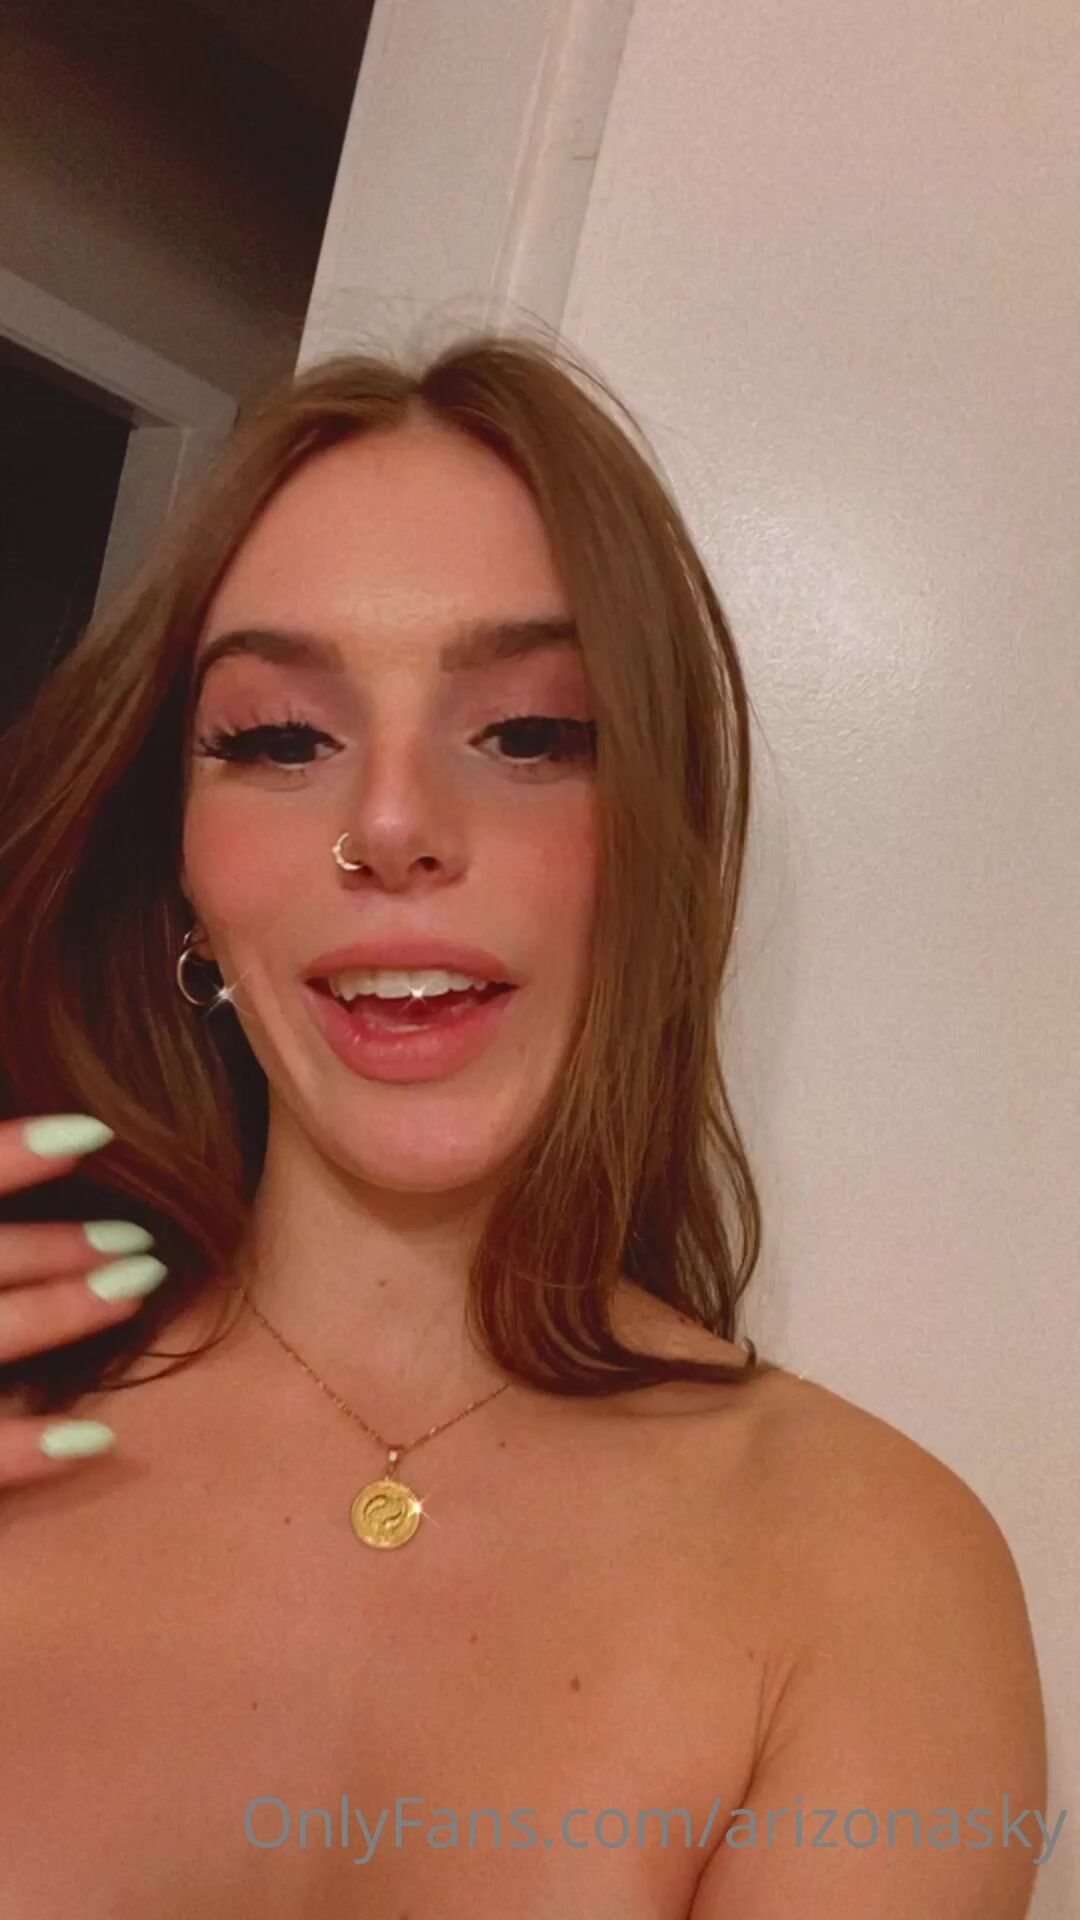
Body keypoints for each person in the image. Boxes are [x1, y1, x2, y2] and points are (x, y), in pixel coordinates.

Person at [0, 329, 1046, 1918]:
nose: (394, 824)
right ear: (184, 883)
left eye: (533, 734)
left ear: (653, 847)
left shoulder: (872, 1569)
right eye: (280, 739)